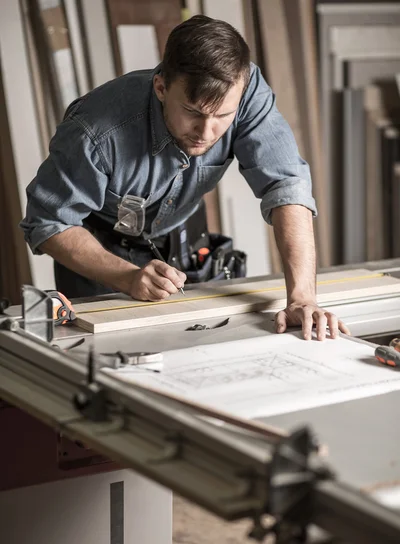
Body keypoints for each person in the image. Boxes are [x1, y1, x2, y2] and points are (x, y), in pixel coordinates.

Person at [21, 14, 349, 342]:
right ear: (161, 87)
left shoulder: (245, 90)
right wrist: (127, 276)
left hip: (180, 231)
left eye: (223, 116)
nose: (206, 133)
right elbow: (49, 222)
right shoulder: (95, 132)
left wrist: (302, 298)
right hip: (99, 246)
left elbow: (286, 185)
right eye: (193, 112)